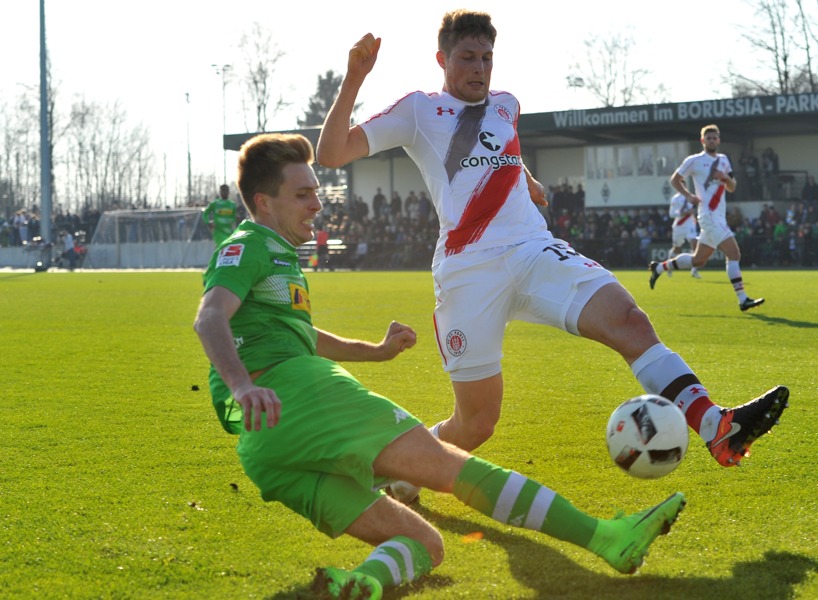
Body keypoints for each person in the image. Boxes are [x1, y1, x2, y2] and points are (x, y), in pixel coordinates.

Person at [316, 10, 789, 505]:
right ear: (442, 59)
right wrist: (355, 77)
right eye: (467, 58)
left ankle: (716, 426)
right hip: (468, 270)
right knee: (476, 423)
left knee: (629, 320)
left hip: (533, 248)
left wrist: (527, 179)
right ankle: (403, 473)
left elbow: (500, 148)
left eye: (487, 58)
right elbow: (331, 155)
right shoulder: (418, 110)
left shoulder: (506, 104)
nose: (480, 68)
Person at [193, 132, 687, 600]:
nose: (317, 204)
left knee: (426, 545)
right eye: (303, 194)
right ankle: (606, 537)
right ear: (263, 202)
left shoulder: (278, 256)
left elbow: (298, 336)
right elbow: (210, 316)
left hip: (266, 447)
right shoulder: (249, 246)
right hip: (294, 395)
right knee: (452, 467)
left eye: (316, 192)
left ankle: (359, 585)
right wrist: (242, 384)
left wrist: (376, 350)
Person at [649, 124, 766, 312]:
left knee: (698, 261)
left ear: (718, 140)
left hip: (719, 216)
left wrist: (725, 178)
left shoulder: (724, 160)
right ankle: (742, 299)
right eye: (708, 138)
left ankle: (659, 268)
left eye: (714, 138)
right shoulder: (694, 160)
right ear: (702, 141)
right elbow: (674, 179)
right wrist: (688, 196)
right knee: (734, 254)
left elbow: (732, 186)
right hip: (708, 215)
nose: (712, 141)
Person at [666, 193, 702, 279]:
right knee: (677, 249)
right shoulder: (675, 198)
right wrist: (682, 213)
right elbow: (671, 214)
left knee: (695, 245)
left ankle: (694, 270)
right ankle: (668, 265)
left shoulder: (690, 196)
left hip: (690, 224)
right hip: (679, 225)